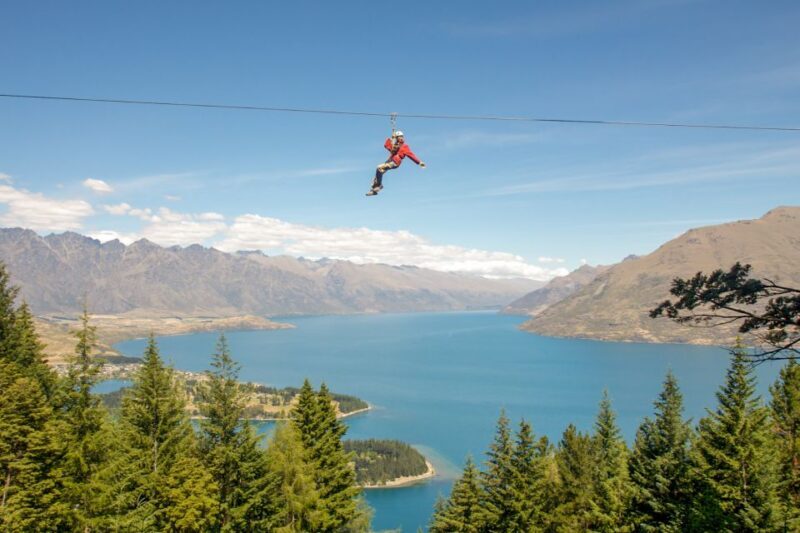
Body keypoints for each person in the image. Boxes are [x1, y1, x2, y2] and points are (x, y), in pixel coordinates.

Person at [367, 130, 425, 196]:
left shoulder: (404, 146)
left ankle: (379, 185)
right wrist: (392, 138)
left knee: (379, 167)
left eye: (402, 137)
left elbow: (411, 155)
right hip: (390, 161)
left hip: (395, 162)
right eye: (399, 137)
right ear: (397, 138)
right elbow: (386, 145)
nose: (401, 138)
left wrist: (419, 162)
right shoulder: (394, 145)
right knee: (379, 171)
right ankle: (375, 189)